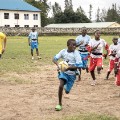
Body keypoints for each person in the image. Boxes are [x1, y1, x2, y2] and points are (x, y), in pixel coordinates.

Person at [52, 39, 83, 111]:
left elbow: (79, 66)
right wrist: (58, 65)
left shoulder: (76, 53)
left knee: (67, 91)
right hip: (64, 73)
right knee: (60, 86)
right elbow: (54, 59)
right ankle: (59, 104)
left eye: (75, 45)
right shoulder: (63, 51)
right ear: (68, 45)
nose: (75, 46)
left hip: (72, 75)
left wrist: (69, 67)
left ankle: (67, 87)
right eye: (73, 45)